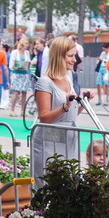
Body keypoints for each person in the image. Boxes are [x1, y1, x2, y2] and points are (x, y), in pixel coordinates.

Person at [31, 36, 84, 187]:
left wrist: (82, 103)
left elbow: (69, 116)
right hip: (49, 143)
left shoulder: (67, 79)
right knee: (47, 186)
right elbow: (44, 118)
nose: (74, 60)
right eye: (70, 56)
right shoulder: (45, 82)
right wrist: (65, 106)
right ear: (59, 57)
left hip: (67, 140)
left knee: (65, 188)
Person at [8, 37, 34, 116]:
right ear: (22, 44)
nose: (27, 45)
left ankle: (23, 110)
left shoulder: (27, 53)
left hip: (24, 73)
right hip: (16, 73)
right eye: (26, 43)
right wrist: (16, 66)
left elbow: (28, 62)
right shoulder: (15, 52)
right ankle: (12, 110)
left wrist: (29, 63)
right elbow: (11, 64)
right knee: (16, 92)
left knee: (24, 93)